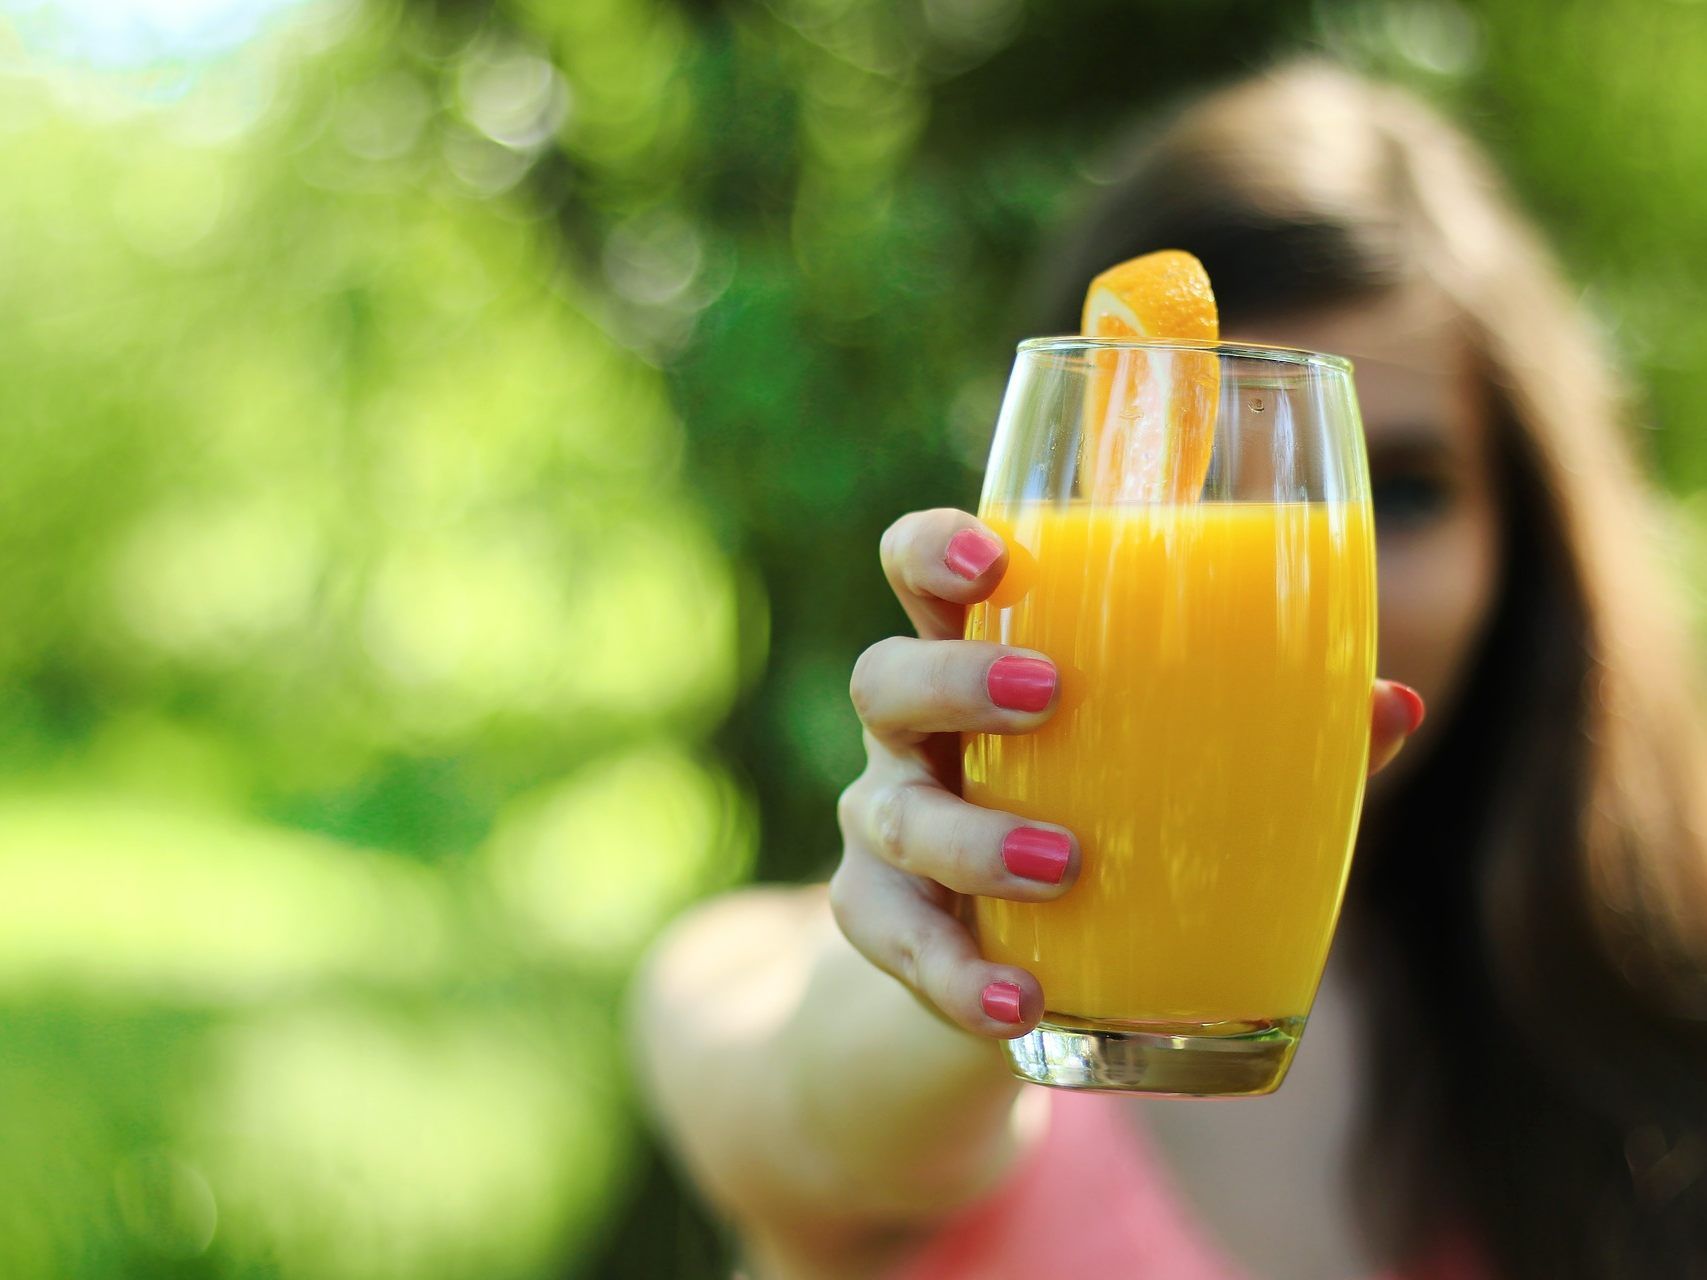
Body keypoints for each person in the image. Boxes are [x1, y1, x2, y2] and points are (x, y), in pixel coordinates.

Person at [627, 61, 1707, 1280]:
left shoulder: (1661, 995)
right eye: (1188, 476)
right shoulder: (749, 973)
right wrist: (960, 972)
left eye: (1397, 489)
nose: (1286, 568)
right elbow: (805, 1118)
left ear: (1525, 543)